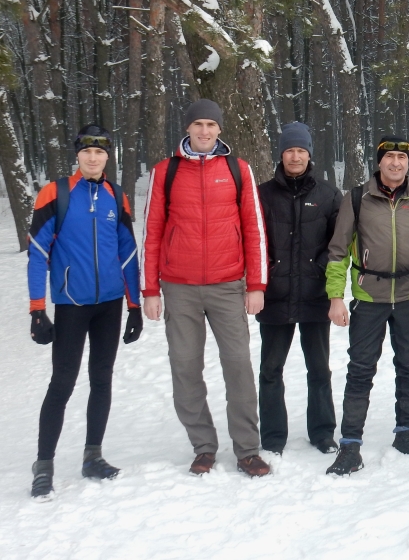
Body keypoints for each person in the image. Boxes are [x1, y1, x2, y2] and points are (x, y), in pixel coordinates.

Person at [141, 99, 271, 478]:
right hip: (179, 288)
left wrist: (256, 284)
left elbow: (254, 229)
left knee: (238, 366)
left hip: (227, 285)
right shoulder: (165, 172)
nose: (204, 131)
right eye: (197, 124)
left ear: (219, 130)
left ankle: (247, 450)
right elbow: (152, 232)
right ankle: (203, 446)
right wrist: (150, 290)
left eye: (210, 125)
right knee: (185, 367)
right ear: (187, 128)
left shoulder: (237, 169)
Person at [323, 136, 409, 476]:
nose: (396, 163)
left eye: (402, 158)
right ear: (379, 162)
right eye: (390, 157)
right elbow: (338, 251)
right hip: (369, 298)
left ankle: (406, 435)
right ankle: (350, 445)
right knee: (361, 369)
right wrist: (336, 297)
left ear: (408, 164)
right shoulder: (357, 199)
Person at [26, 125, 142, 500]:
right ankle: (43, 466)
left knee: (102, 379)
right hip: (71, 305)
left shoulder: (117, 196)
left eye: (100, 152)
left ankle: (93, 456)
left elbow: (128, 252)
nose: (93, 158)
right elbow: (37, 254)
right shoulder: (56, 193)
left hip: (109, 304)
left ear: (108, 156)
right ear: (77, 155)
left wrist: (134, 305)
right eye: (87, 151)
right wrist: (37, 310)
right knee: (62, 383)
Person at [257, 122, 342, 456]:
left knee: (319, 369)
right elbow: (254, 240)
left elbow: (338, 243)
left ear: (309, 154)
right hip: (275, 295)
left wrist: (318, 267)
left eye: (301, 150)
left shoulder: (328, 195)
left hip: (314, 294)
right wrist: (269, 271)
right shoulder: (263, 194)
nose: (295, 157)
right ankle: (273, 437)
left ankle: (322, 432)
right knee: (270, 370)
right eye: (290, 150)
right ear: (281, 154)